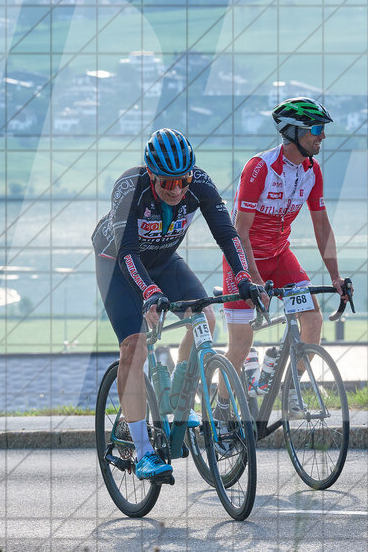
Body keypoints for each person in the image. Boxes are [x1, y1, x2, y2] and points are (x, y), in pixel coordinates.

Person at [92, 128, 264, 481]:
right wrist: (149, 292)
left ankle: (180, 394)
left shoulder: (199, 182)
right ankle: (142, 452)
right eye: (166, 183)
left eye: (182, 181)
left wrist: (245, 277)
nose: (176, 190)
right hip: (118, 266)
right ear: (151, 175)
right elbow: (127, 253)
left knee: (206, 318)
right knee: (134, 348)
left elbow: (228, 236)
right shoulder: (129, 188)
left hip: (164, 260)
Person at [221, 96, 351, 411]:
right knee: (240, 346)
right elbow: (240, 231)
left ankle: (291, 389)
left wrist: (335, 276)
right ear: (293, 132)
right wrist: (252, 280)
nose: (323, 136)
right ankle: (222, 407)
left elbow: (322, 226)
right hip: (243, 259)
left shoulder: (312, 171)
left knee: (313, 321)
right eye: (316, 129)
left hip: (279, 257)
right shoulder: (259, 168)